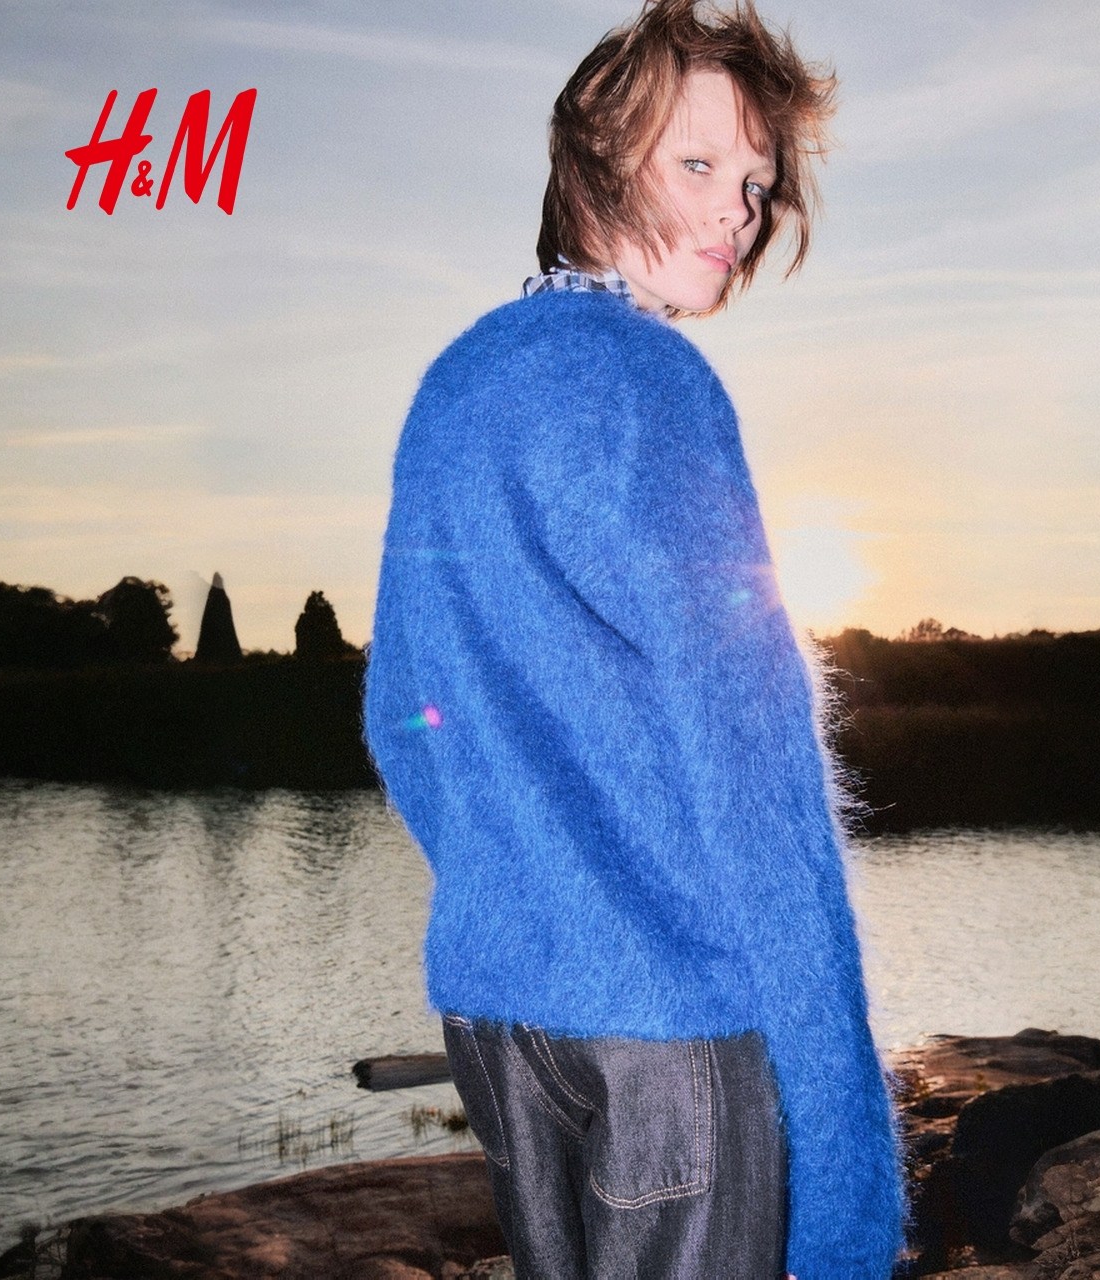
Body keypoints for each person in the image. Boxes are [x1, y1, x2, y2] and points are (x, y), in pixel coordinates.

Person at [365, 1, 906, 1275]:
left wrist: (529, 893)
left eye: (756, 182)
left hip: (503, 1016)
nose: (738, 211)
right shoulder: (653, 385)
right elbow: (755, 779)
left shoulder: (457, 382)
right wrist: (845, 1167)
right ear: (595, 158)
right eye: (698, 163)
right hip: (670, 1026)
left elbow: (402, 714)